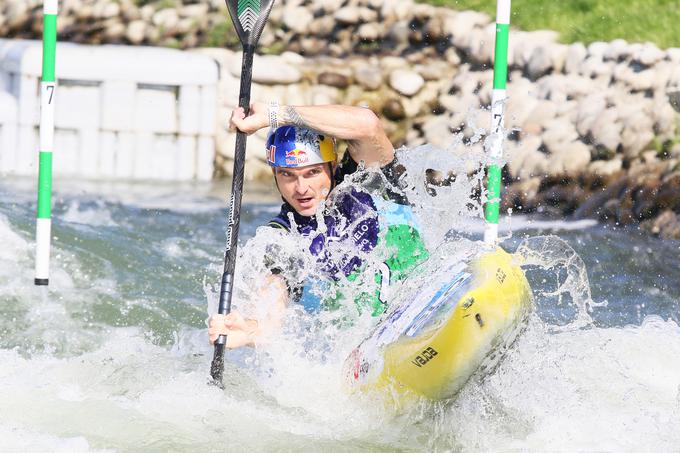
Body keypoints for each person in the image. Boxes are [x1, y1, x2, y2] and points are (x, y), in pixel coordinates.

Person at [208, 102, 428, 349]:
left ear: (332, 167)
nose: (301, 189)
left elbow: (367, 125)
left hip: (425, 297)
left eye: (312, 172)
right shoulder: (281, 236)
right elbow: (271, 314)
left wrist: (274, 115)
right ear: (275, 176)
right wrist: (248, 332)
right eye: (287, 175)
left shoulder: (366, 180)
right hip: (373, 345)